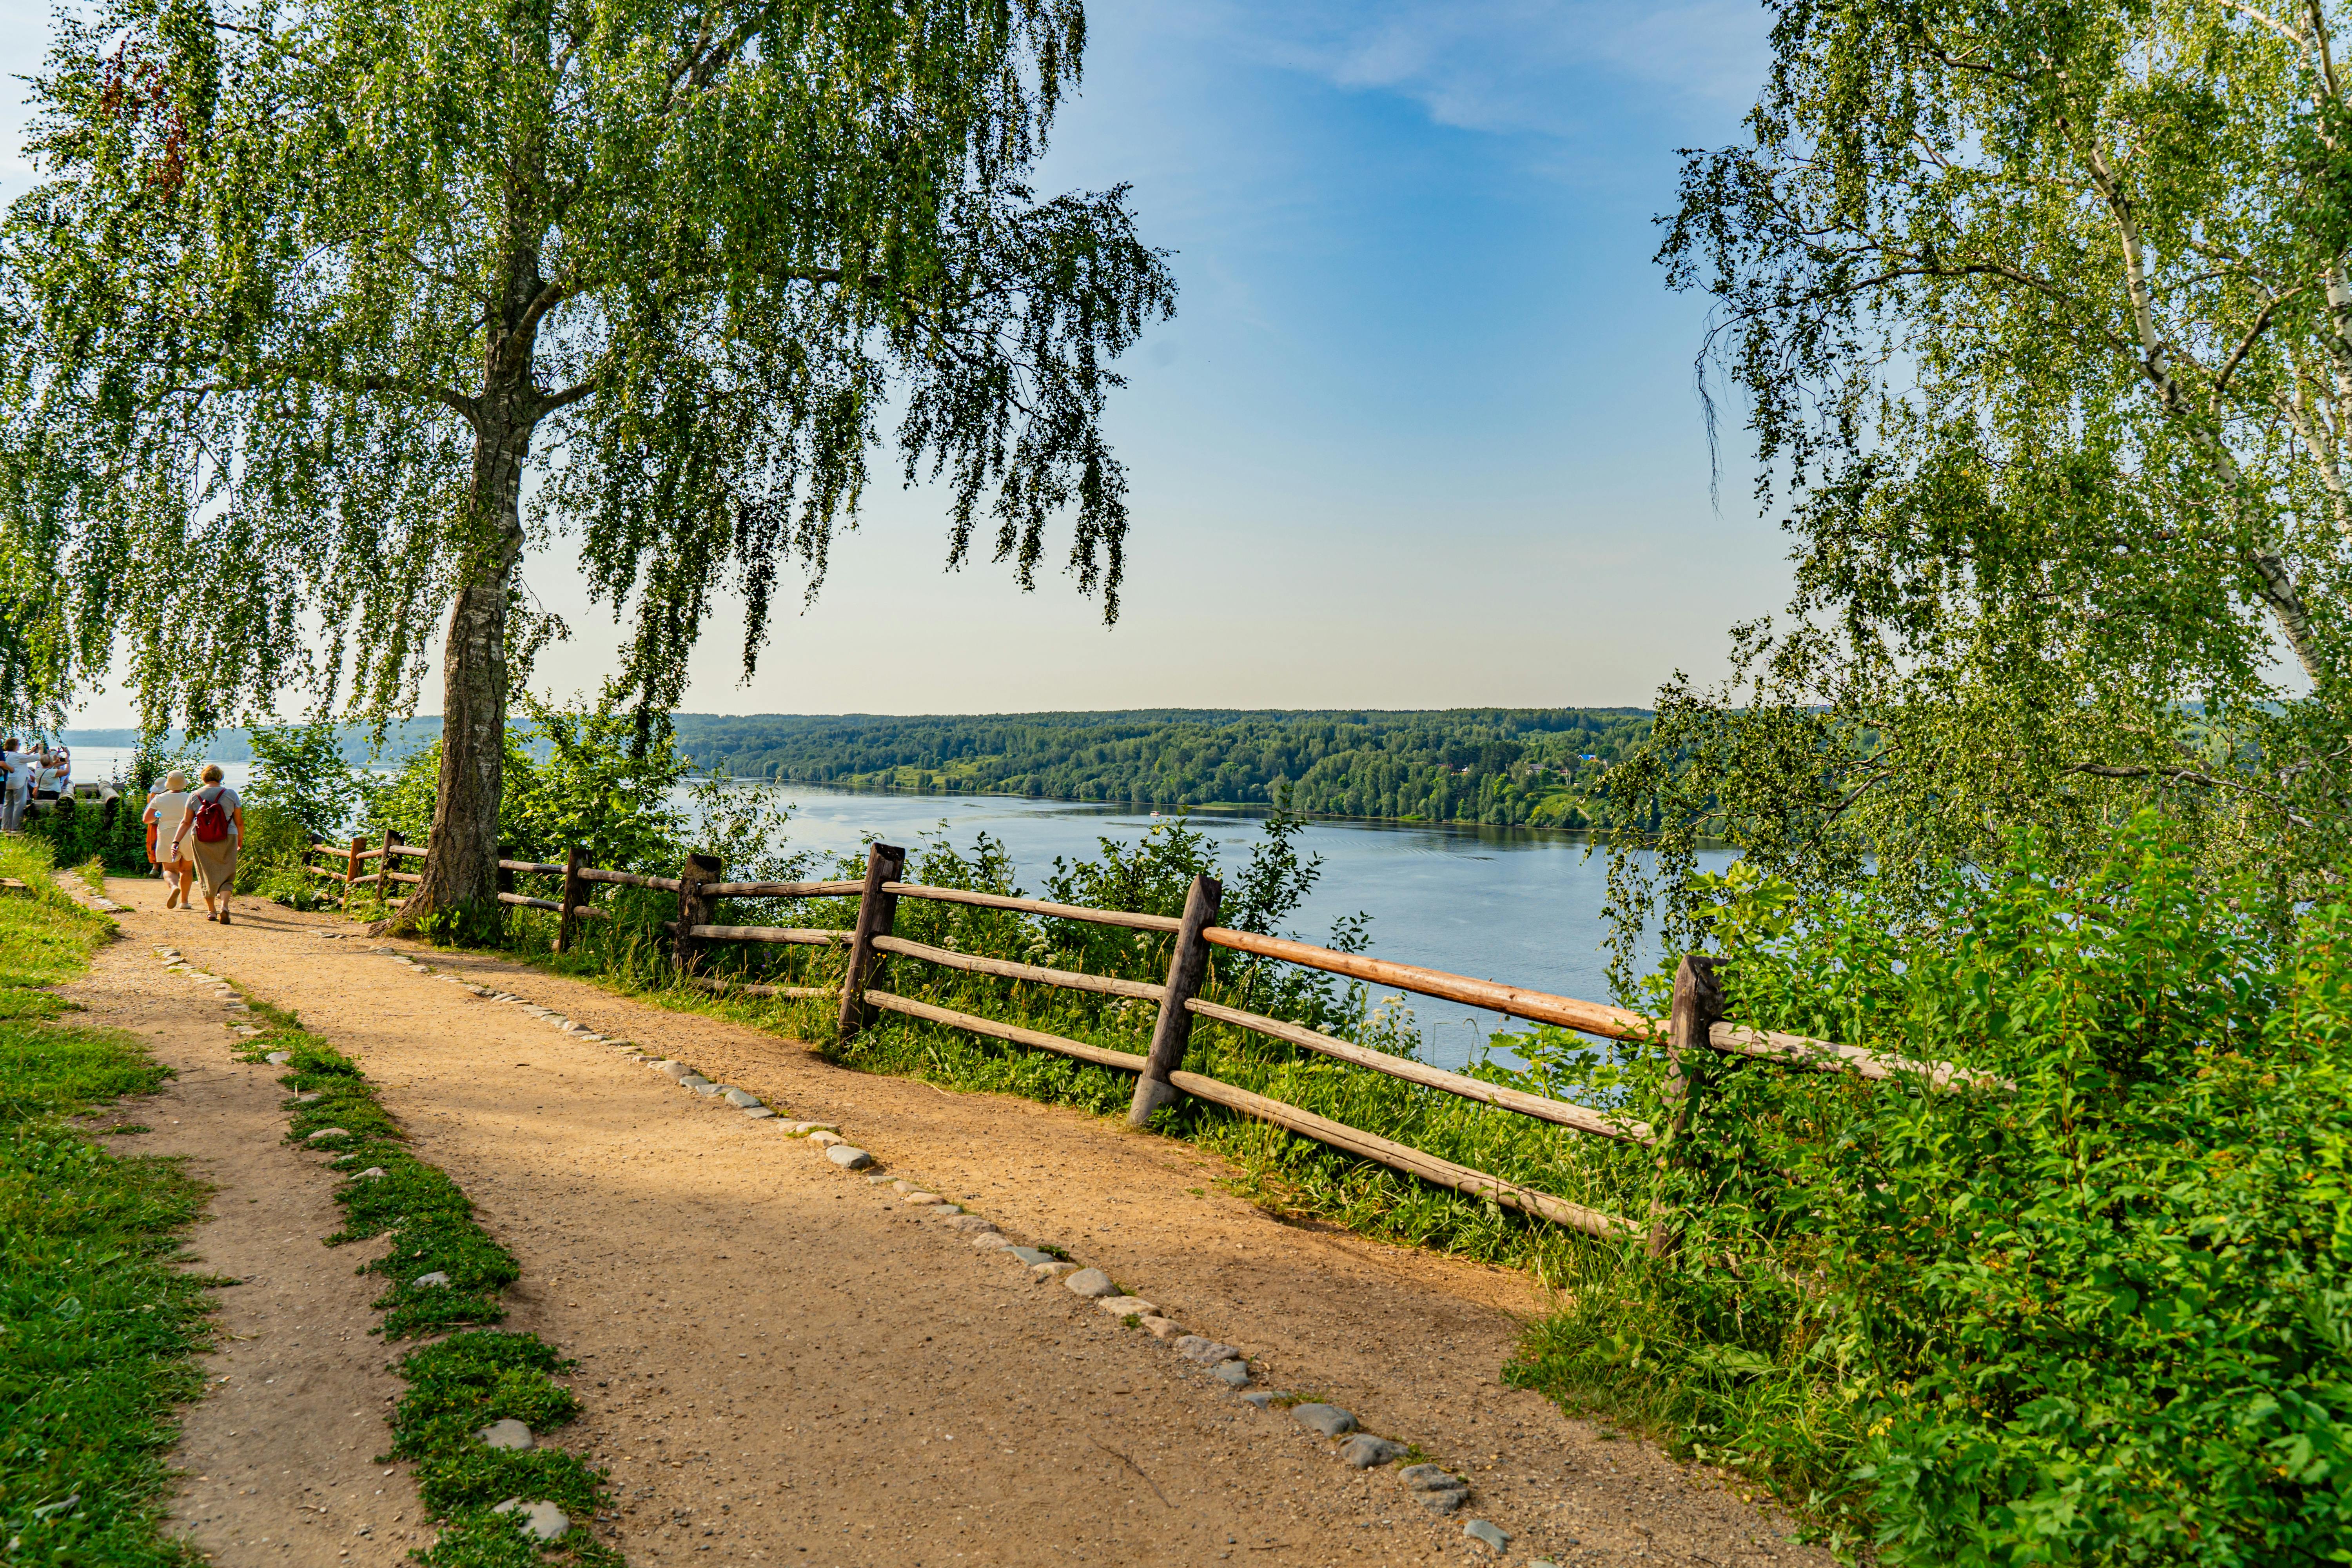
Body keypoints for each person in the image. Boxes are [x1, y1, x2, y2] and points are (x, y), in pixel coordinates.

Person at [170, 764, 243, 924]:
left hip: (201, 837)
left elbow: (186, 822)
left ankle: (211, 911)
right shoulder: (231, 794)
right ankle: (224, 906)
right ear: (220, 777)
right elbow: (240, 822)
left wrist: (176, 841)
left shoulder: (194, 795)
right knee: (227, 872)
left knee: (205, 873)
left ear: (204, 778)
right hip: (228, 835)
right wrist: (240, 839)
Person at [144, 770, 192, 908]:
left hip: (167, 834)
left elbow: (147, 819)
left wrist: (158, 817)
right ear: (184, 784)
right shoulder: (191, 797)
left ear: (168, 785)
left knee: (170, 869)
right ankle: (185, 902)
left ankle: (173, 887)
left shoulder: (159, 798)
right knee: (187, 870)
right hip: (187, 834)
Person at [0, 740, 26, 832]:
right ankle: (15, 827)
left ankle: (5, 826)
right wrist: (11, 769)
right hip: (12, 781)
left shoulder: (6, 753)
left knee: (7, 804)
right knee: (18, 804)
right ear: (14, 746)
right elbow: (2, 763)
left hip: (7, 782)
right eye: (19, 744)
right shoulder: (12, 754)